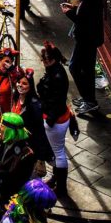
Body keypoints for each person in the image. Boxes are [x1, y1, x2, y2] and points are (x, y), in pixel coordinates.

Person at [61, 0, 104, 116]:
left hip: (86, 41)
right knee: (86, 70)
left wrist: (68, 13)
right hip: (87, 40)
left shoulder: (90, 1)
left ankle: (89, 100)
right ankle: (87, 98)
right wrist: (73, 9)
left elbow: (83, 21)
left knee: (75, 68)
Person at [36, 41, 72, 197]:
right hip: (57, 117)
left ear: (52, 59)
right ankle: (56, 179)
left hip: (56, 120)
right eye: (43, 60)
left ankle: (61, 187)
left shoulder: (56, 75)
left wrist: (50, 119)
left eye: (46, 60)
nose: (44, 62)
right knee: (57, 152)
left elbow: (56, 100)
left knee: (58, 153)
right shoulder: (54, 71)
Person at [11, 69, 53, 173]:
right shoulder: (16, 97)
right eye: (19, 82)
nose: (20, 85)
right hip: (17, 143)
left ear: (30, 86)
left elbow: (40, 132)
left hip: (30, 146)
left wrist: (41, 157)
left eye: (24, 83)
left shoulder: (35, 105)